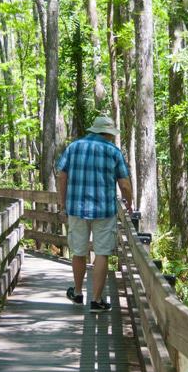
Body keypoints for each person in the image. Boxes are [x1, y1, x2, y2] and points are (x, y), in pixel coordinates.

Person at [56, 115, 133, 313]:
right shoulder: (113, 151)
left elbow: (61, 176)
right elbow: (124, 184)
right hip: (104, 210)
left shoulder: (74, 148)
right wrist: (129, 204)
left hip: (76, 208)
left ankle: (79, 292)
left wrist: (62, 202)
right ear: (107, 133)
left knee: (78, 251)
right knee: (102, 253)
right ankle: (97, 301)